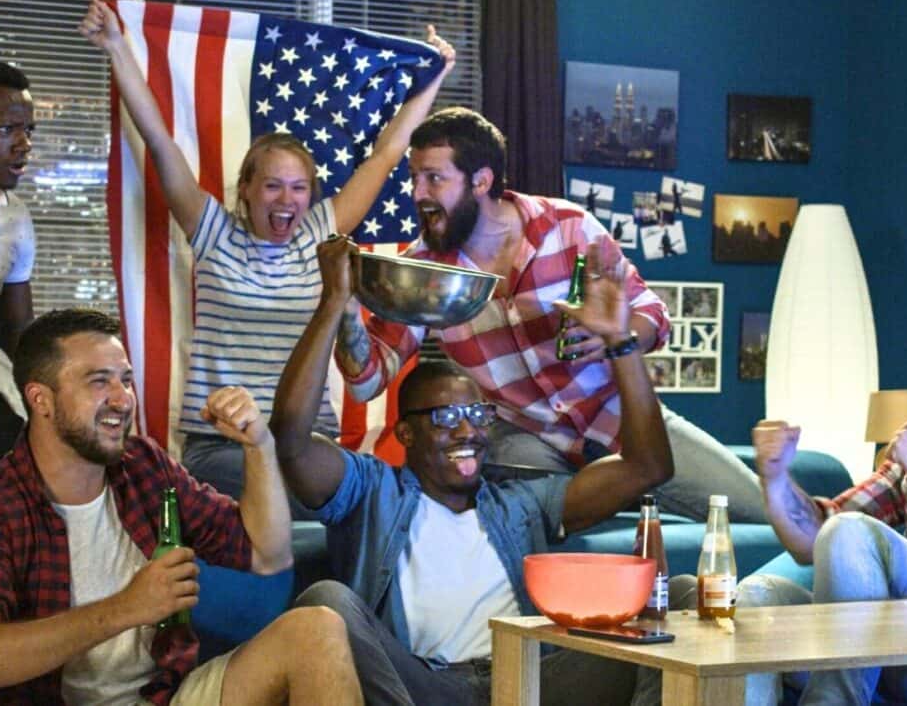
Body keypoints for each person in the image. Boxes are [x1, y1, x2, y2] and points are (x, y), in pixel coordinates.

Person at [270, 236, 689, 705]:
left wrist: (621, 343)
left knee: (681, 603)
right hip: (424, 687)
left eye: (479, 416)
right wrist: (333, 302)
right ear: (406, 435)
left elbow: (649, 466)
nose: (468, 431)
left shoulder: (520, 504)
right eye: (448, 419)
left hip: (526, 681)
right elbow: (289, 438)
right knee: (328, 602)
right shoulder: (370, 490)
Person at [79, 0, 454, 514]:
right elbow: (159, 142)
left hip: (305, 443)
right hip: (221, 447)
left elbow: (388, 153)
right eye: (273, 186)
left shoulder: (320, 231)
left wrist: (435, 75)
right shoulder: (213, 231)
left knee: (383, 502)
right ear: (248, 190)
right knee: (295, 502)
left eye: (299, 189)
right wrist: (117, 48)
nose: (286, 200)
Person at [331, 106, 766, 523]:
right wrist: (346, 311)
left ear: (480, 181)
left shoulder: (568, 225)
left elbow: (653, 314)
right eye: (414, 178)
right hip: (522, 443)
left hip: (618, 417)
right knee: (533, 528)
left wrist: (617, 334)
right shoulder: (423, 270)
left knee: (763, 514)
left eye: (433, 179)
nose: (417, 193)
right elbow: (367, 380)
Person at [0, 308, 363, 704]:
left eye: (125, 380)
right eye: (98, 382)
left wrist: (258, 447)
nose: (122, 399)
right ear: (40, 399)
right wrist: (125, 608)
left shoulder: (142, 466)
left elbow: (269, 554)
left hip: (162, 696)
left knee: (317, 630)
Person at [736, 329, 907, 705]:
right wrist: (775, 479)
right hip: (892, 646)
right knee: (757, 598)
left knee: (851, 531)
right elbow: (819, 539)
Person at [0, 56, 36, 475]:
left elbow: (16, 332)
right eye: (6, 130)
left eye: (27, 130)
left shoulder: (14, 218)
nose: (24, 144)